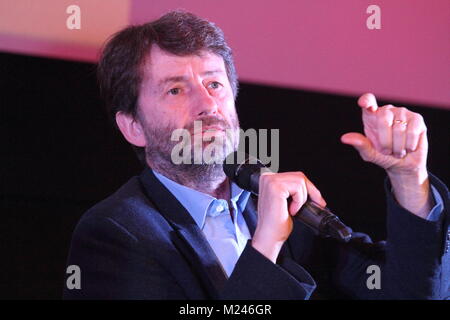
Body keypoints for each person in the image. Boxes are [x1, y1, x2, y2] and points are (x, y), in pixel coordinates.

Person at [63, 10, 449, 300]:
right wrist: (265, 245)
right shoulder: (115, 233)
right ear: (133, 126)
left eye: (215, 83)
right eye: (176, 90)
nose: (207, 104)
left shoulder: (282, 209)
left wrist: (409, 177)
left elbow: (412, 293)